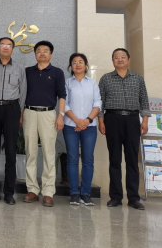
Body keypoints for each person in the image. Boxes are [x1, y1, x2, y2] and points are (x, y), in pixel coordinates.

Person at [98, 48, 151, 211]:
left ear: (129, 59)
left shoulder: (138, 78)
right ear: (112, 60)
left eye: (122, 57)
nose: (119, 59)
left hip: (132, 120)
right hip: (112, 119)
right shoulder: (106, 78)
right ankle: (115, 197)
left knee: (132, 160)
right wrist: (101, 120)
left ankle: (134, 198)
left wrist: (145, 121)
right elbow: (100, 102)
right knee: (114, 159)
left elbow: (144, 100)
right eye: (116, 57)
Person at [23, 41, 66, 207]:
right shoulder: (28, 71)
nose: (42, 53)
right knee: (30, 152)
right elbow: (22, 94)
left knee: (49, 153)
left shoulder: (57, 72)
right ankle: (32, 189)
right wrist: (21, 113)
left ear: (51, 54)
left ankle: (48, 192)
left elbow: (62, 95)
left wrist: (60, 115)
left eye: (45, 51)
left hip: (49, 114)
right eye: (39, 51)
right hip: (29, 113)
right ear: (35, 54)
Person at [0, 37, 27, 206]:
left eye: (9, 45)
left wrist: (20, 113)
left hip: (12, 109)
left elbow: (23, 92)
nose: (6, 47)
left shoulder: (20, 67)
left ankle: (9, 192)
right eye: (3, 45)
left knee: (10, 151)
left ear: (12, 49)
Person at [63, 53, 102, 206]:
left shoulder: (92, 83)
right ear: (70, 66)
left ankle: (86, 194)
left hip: (89, 127)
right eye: (74, 62)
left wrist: (87, 120)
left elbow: (98, 103)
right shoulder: (67, 83)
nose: (78, 64)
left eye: (81, 62)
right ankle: (74, 193)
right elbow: (64, 103)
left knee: (88, 160)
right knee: (72, 159)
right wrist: (77, 121)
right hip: (70, 126)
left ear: (86, 65)